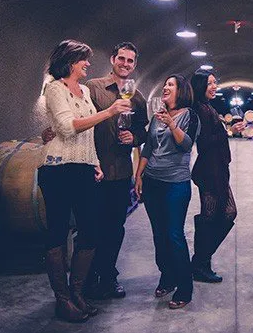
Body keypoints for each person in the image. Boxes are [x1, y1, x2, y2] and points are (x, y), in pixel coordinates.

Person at [42, 42, 148, 299]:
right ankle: (87, 280)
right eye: (121, 58)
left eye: (130, 61)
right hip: (90, 169)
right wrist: (50, 132)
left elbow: (143, 131)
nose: (125, 64)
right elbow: (71, 119)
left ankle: (108, 277)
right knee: (89, 228)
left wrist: (132, 138)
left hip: (119, 170)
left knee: (115, 227)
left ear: (134, 65)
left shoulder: (137, 97)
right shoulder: (92, 88)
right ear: (113, 59)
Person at [134, 74, 200, 309]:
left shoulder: (191, 116)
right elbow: (149, 147)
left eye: (170, 85)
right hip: (152, 181)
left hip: (176, 183)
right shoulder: (157, 117)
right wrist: (139, 174)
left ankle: (184, 286)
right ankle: (167, 276)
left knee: (174, 234)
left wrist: (171, 124)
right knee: (159, 234)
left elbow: (187, 144)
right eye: (164, 84)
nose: (165, 87)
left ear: (181, 91)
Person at [189, 68, 244, 283]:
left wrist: (226, 127)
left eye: (215, 82)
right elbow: (203, 140)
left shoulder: (207, 107)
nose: (214, 86)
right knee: (218, 214)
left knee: (222, 214)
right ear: (200, 85)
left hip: (217, 168)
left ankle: (201, 261)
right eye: (210, 83)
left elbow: (213, 135)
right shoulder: (198, 109)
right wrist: (226, 131)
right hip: (209, 170)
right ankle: (200, 262)